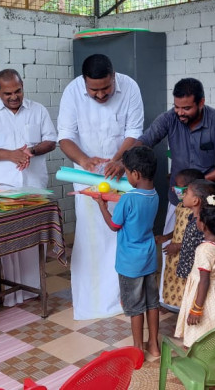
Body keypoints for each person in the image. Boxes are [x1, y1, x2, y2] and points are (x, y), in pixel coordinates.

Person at [136, 77, 215, 303]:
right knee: (173, 249)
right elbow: (145, 140)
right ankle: (172, 300)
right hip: (178, 199)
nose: (180, 112)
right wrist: (126, 159)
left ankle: (207, 302)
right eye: (177, 106)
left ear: (201, 103)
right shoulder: (169, 118)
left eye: (186, 108)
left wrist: (199, 183)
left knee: (208, 254)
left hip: (212, 201)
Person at [57, 54, 144, 320]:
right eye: (93, 90)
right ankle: (93, 301)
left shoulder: (130, 87)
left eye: (105, 88)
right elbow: (65, 137)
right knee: (92, 237)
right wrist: (84, 160)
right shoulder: (72, 91)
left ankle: (123, 297)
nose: (100, 94)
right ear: (84, 82)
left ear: (114, 76)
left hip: (124, 175)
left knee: (122, 234)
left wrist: (119, 160)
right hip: (88, 178)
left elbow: (134, 132)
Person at [0, 69, 57, 306]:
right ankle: (12, 294)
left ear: (22, 87)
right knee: (10, 241)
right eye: (7, 93)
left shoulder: (38, 110)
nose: (14, 97)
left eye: (18, 91)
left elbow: (51, 141)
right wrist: (11, 155)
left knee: (33, 240)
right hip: (5, 188)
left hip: (34, 187)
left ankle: (34, 288)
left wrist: (32, 150)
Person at [94, 146, 160, 357]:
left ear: (136, 174)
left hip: (130, 262)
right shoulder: (154, 194)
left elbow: (114, 226)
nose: (127, 177)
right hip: (149, 258)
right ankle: (154, 345)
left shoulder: (128, 199)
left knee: (135, 306)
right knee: (152, 303)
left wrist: (102, 206)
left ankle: (138, 348)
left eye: (127, 173)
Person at [174, 195, 215, 348]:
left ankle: (196, 355)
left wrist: (196, 309)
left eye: (199, 218)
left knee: (199, 332)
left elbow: (204, 280)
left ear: (203, 225)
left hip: (203, 296)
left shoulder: (204, 249)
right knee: (214, 325)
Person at [156, 168, 203, 312]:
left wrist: (177, 246)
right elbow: (178, 228)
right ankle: (172, 305)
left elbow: (198, 239)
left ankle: (187, 310)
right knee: (173, 279)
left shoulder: (197, 214)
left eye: (178, 186)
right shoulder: (180, 206)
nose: (173, 189)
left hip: (187, 254)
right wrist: (166, 237)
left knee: (185, 283)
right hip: (175, 253)